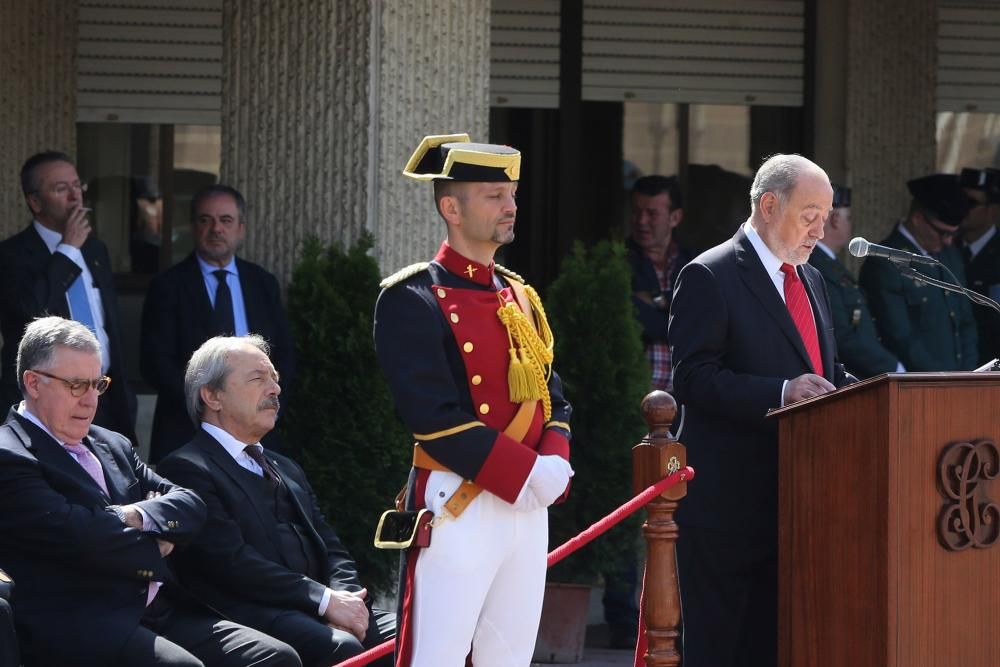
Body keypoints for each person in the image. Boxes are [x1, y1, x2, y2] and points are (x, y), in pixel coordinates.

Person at [373, 133, 573, 666]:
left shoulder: (519, 295)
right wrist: (524, 472)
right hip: (458, 500)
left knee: (509, 658)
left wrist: (553, 461)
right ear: (451, 208)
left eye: (510, 194)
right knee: (435, 657)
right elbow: (431, 416)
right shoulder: (411, 298)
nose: (511, 206)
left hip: (527, 504)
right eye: (493, 195)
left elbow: (554, 398)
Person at [0, 316, 298, 667]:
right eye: (77, 385)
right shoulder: (10, 453)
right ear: (33, 383)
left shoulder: (111, 442)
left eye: (98, 385)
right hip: (84, 622)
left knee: (274, 658)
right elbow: (80, 536)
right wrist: (156, 536)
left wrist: (134, 515)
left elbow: (190, 504)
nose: (90, 400)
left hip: (160, 607)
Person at [668, 154, 855, 667]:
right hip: (730, 505)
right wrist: (779, 392)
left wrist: (890, 394)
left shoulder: (812, 279)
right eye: (810, 214)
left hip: (800, 501)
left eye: (827, 215)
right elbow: (693, 378)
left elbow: (826, 375)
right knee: (723, 648)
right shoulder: (710, 274)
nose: (822, 229)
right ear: (770, 205)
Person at [156, 335, 395, 667]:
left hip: (321, 605)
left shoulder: (286, 466)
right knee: (342, 648)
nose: (275, 389)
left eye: (275, 379)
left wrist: (348, 599)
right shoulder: (186, 468)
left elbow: (331, 547)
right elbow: (231, 563)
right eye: (258, 379)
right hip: (251, 612)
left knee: (416, 637)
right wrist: (325, 601)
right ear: (212, 396)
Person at [141, 184, 296, 463]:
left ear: (241, 229)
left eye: (225, 220)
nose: (216, 229)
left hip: (258, 431)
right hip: (187, 431)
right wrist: (209, 409)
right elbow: (155, 363)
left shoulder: (262, 283)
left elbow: (284, 355)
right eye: (205, 220)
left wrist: (264, 407)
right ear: (193, 227)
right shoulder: (167, 286)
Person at [0, 151, 137, 446]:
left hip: (103, 396)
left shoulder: (96, 250)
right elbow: (31, 311)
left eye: (78, 186)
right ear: (35, 202)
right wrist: (67, 251)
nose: (76, 197)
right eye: (62, 189)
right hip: (47, 404)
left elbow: (107, 323)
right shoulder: (11, 255)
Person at [859, 174, 978, 371]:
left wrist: (967, 374)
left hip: (958, 381)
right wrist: (939, 379)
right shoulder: (886, 260)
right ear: (917, 219)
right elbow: (899, 336)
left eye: (954, 233)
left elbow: (966, 321)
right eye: (943, 233)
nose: (948, 241)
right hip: (917, 384)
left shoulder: (949, 255)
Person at [808, 184, 904, 378]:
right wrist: (892, 366)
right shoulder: (817, 265)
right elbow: (841, 334)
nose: (850, 225)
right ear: (835, 220)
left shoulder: (828, 263)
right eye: (849, 218)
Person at [626, 174, 693, 392]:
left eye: (652, 214)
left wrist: (654, 300)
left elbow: (699, 325)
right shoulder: (617, 262)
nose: (641, 221)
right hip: (633, 401)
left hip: (686, 402)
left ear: (675, 218)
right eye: (637, 212)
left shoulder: (695, 264)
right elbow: (631, 317)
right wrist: (675, 310)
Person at [958, 167, 1000, 364]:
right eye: (960, 200)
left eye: (971, 202)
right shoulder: (947, 247)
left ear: (992, 211)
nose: (961, 208)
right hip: (956, 364)